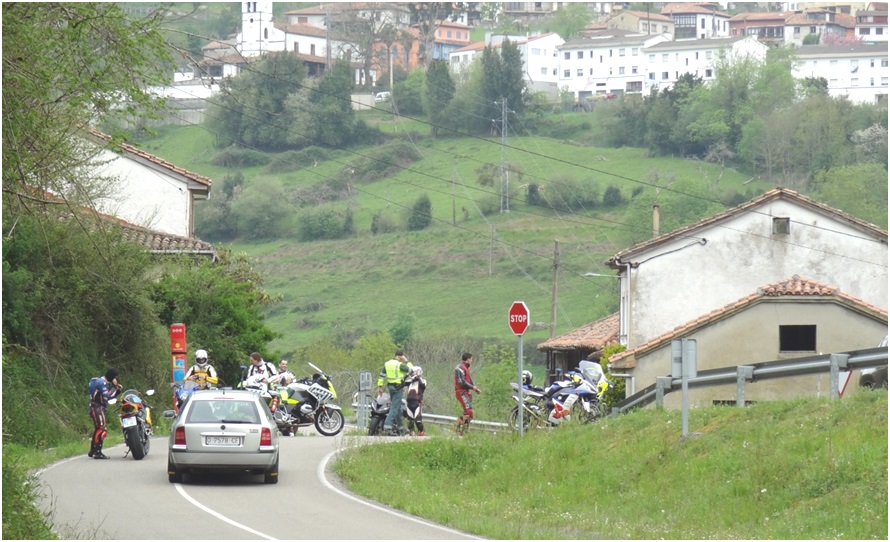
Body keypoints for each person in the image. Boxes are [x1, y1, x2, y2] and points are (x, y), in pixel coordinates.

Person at [87, 368, 122, 459]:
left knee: (98, 428)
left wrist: (117, 391)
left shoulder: (96, 380)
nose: (115, 379)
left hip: (95, 407)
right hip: (97, 407)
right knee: (101, 429)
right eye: (115, 377)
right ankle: (98, 452)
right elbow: (107, 396)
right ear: (111, 376)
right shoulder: (102, 383)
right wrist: (115, 388)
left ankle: (92, 450)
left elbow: (109, 398)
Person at [377, 349, 412, 436]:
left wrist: (380, 387)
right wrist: (407, 361)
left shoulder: (387, 363)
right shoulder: (399, 365)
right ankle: (387, 427)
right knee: (394, 407)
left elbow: (381, 375)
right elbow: (411, 370)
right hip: (398, 388)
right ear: (400, 356)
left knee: (398, 406)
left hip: (390, 387)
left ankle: (401, 427)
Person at [454, 352, 481, 436]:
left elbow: (469, 380)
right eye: (471, 359)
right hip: (461, 391)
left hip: (465, 392)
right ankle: (457, 427)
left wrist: (475, 388)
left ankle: (463, 430)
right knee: (468, 411)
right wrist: (473, 387)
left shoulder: (466, 368)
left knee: (470, 413)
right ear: (468, 359)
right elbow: (462, 382)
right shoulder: (460, 368)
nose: (472, 361)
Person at [404, 366, 427, 436]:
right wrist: (407, 374)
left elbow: (423, 385)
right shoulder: (410, 382)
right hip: (409, 403)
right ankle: (411, 433)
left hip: (417, 403)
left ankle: (421, 431)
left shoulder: (422, 381)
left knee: (418, 421)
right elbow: (403, 382)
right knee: (410, 421)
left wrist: (418, 377)